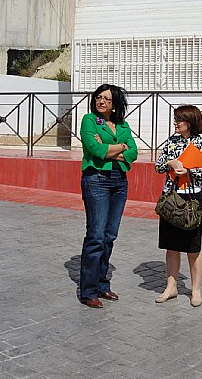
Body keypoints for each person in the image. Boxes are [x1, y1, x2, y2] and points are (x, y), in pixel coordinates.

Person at [79, 84, 138, 308]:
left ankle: (103, 285)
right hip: (96, 180)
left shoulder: (123, 125)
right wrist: (119, 148)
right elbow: (95, 150)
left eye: (106, 99)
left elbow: (133, 153)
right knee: (95, 235)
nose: (100, 101)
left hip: (119, 182)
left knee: (109, 236)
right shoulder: (89, 120)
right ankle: (88, 290)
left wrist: (115, 147)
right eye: (98, 97)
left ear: (114, 104)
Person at [155, 105, 202, 307]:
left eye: (178, 119)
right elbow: (158, 166)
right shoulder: (171, 141)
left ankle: (195, 290)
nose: (175, 122)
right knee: (171, 245)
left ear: (189, 122)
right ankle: (170, 287)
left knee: (193, 246)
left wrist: (190, 171)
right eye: (175, 119)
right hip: (171, 197)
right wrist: (170, 164)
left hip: (191, 199)